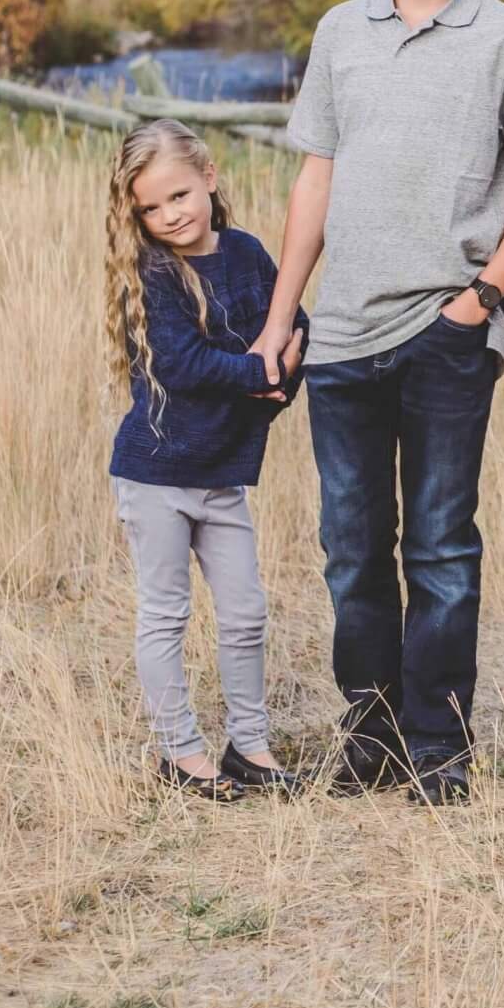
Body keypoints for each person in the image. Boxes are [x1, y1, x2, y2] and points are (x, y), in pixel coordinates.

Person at [253, 0, 504, 807]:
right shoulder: (342, 32)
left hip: (446, 337)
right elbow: (316, 182)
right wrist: (279, 321)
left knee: (439, 543)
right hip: (342, 337)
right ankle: (375, 733)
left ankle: (438, 745)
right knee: (351, 546)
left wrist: (476, 303)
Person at [107, 118, 307, 802]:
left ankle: (249, 745)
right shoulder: (153, 271)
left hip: (223, 474)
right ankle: (180, 752)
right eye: (152, 207)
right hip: (157, 474)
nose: (169, 216)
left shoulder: (247, 254)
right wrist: (260, 372)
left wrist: (281, 381)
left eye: (180, 196)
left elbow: (293, 327)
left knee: (246, 610)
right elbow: (183, 364)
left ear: (210, 177)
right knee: (165, 614)